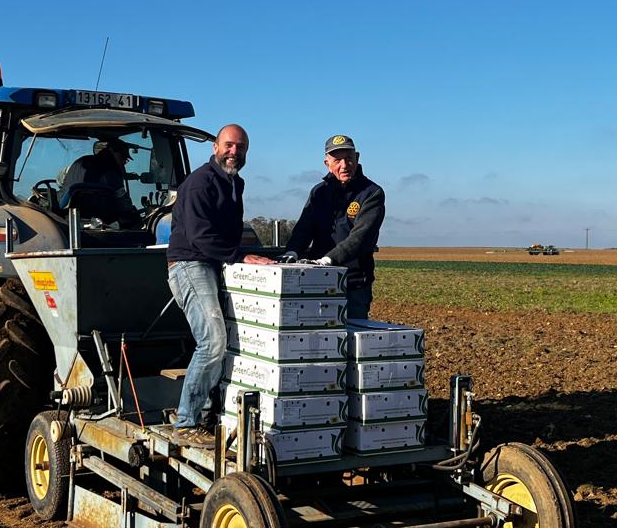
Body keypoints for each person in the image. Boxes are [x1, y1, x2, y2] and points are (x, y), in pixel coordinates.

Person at [166, 123, 276, 443]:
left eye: (240, 147)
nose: (234, 151)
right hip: (190, 264)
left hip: (213, 264)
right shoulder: (200, 183)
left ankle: (210, 411)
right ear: (215, 146)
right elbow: (201, 237)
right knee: (213, 340)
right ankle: (186, 422)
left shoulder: (233, 183)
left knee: (228, 340)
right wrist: (239, 257)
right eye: (229, 145)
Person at [285, 133, 385, 320]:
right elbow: (304, 228)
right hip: (317, 283)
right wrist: (292, 251)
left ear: (357, 158)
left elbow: (361, 237)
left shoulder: (372, 193)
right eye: (337, 160)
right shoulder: (319, 193)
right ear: (327, 164)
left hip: (353, 283)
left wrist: (328, 260)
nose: (344, 165)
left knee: (350, 339)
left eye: (348, 158)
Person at [61, 138, 141, 225]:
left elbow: (64, 188)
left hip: (66, 217)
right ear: (111, 151)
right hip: (99, 220)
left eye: (126, 159)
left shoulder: (81, 161)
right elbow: (122, 201)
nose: (124, 161)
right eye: (122, 156)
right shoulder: (111, 169)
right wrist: (131, 213)